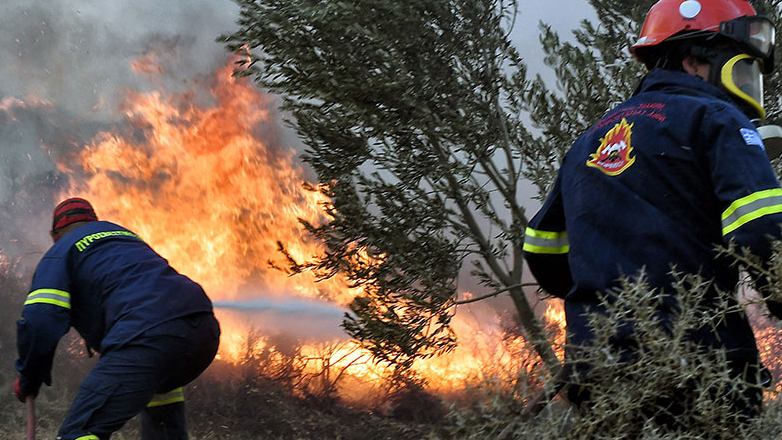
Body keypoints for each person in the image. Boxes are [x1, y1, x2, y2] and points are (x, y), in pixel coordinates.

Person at [523, 0, 782, 428]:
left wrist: (609, 297)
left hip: (598, 369)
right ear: (694, 60)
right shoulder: (718, 119)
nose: (749, 82)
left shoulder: (591, 139)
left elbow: (543, 248)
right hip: (701, 363)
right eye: (743, 67)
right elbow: (763, 231)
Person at [14, 197, 220, 440]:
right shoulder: (125, 237)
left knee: (79, 433)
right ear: (94, 221)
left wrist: (29, 378)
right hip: (203, 330)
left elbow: (40, 321)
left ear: (54, 234)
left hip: (147, 336)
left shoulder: (60, 251)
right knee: (162, 407)